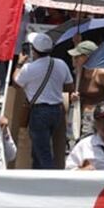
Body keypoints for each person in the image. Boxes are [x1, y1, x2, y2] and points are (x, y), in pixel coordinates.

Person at [14, 33, 73, 170]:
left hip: (39, 112)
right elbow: (69, 86)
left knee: (43, 152)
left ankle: (49, 181)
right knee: (39, 150)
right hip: (56, 110)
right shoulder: (61, 64)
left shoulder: (29, 68)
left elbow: (16, 83)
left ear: (34, 50)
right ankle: (37, 177)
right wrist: (54, 87)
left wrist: (19, 64)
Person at [68, 41, 104, 138]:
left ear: (87, 57)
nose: (75, 59)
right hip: (79, 116)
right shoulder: (79, 72)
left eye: (78, 56)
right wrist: (74, 97)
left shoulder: (101, 73)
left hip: (97, 117)